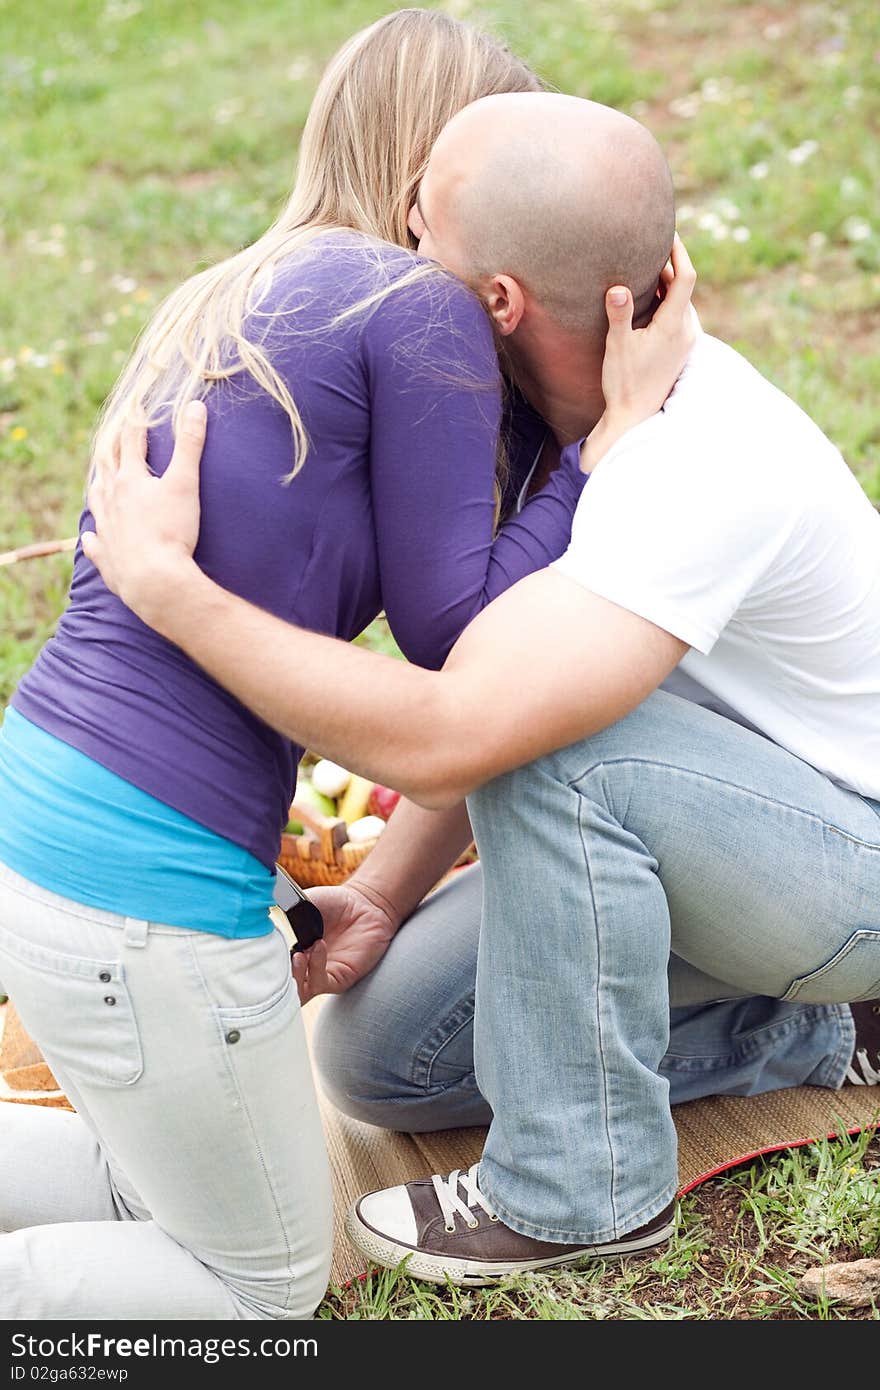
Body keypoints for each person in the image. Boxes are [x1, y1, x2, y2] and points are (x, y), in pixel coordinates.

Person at [84, 90, 880, 1288]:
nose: (395, 255)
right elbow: (515, 690)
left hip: (845, 863)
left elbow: (478, 729)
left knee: (557, 753)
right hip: (721, 842)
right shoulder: (551, 428)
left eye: (417, 234)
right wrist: (381, 895)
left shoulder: (697, 461)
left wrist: (171, 593)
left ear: (496, 300)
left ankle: (579, 1193)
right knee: (382, 1059)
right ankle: (823, 1032)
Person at [0, 11, 636, 1321]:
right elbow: (457, 643)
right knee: (261, 1286)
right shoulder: (416, 310)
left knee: (157, 1196)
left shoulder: (237, 289)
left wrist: (299, 891)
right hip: (145, 891)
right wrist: (598, 453)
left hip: (51, 819)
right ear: (438, 171)